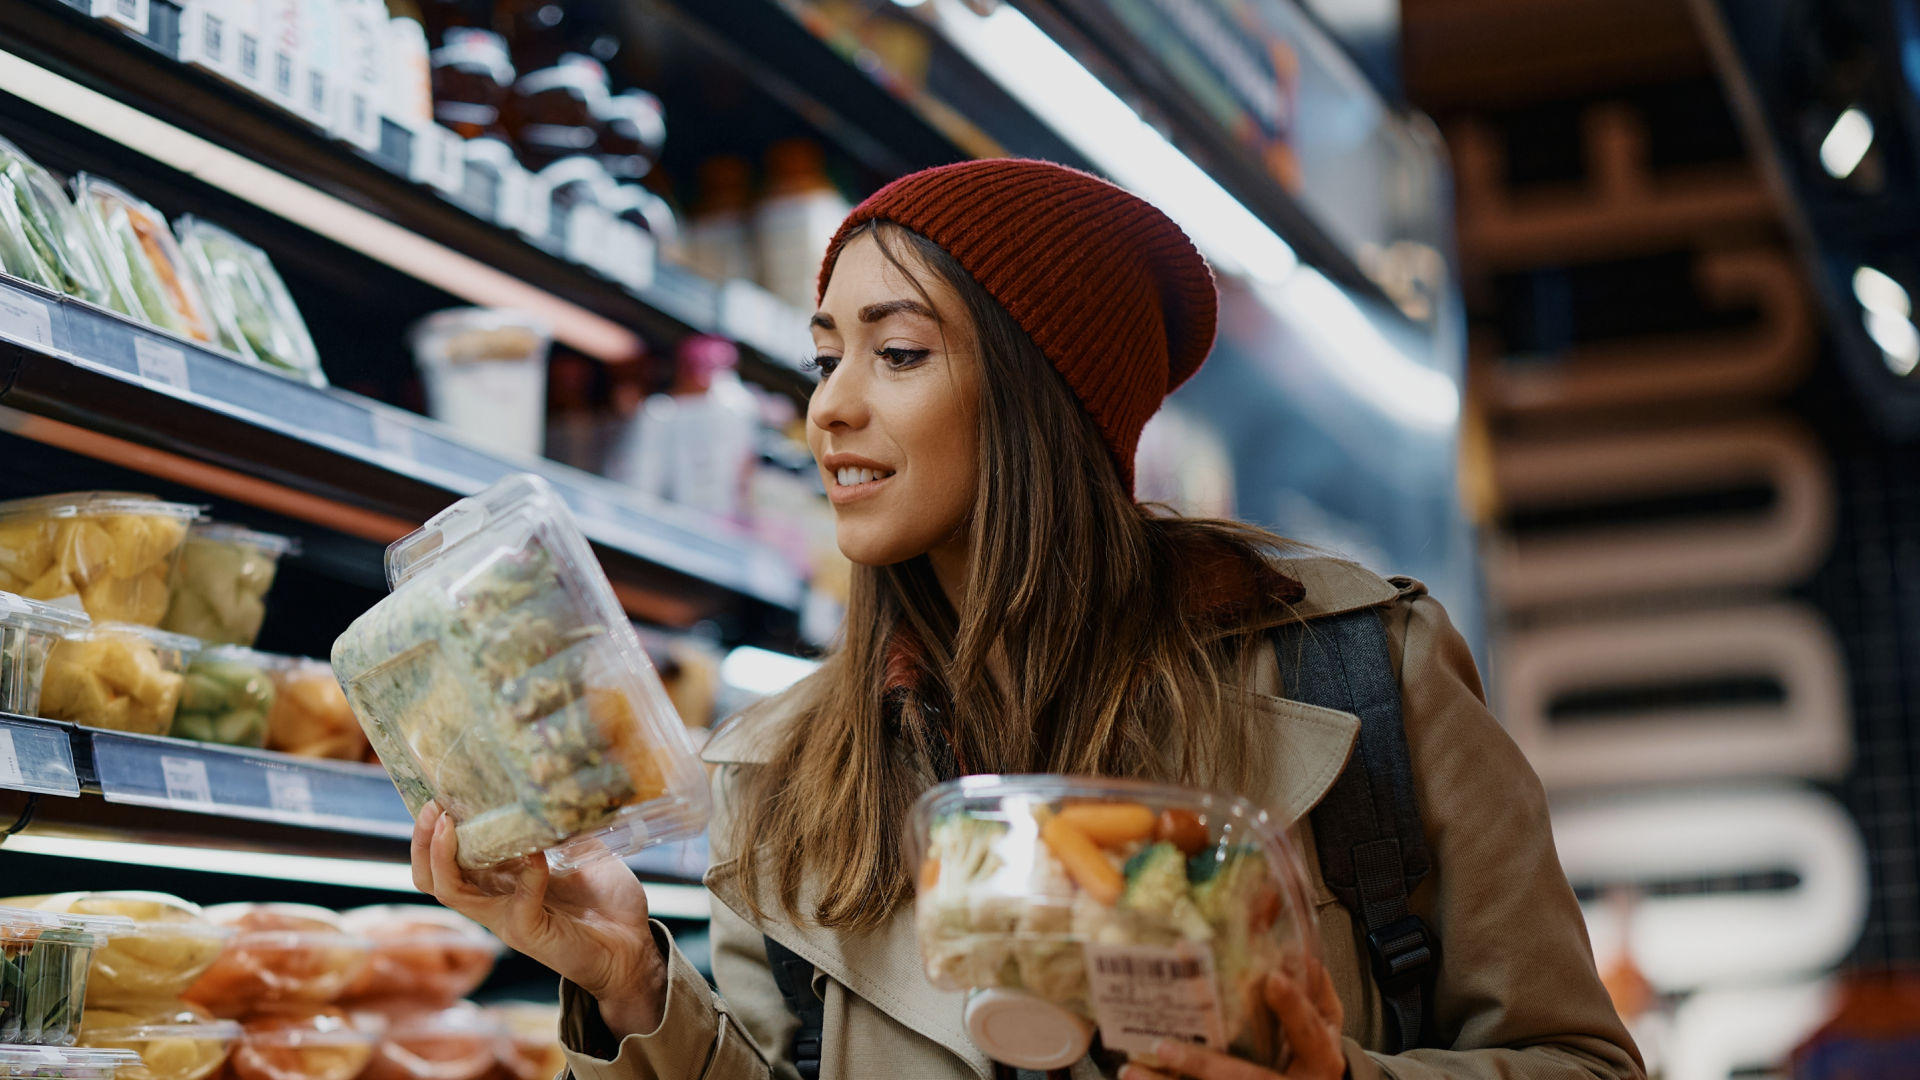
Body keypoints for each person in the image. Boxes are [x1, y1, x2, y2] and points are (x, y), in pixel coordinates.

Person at [411, 159, 1645, 1080]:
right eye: (823, 356)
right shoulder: (782, 775)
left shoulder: (1363, 671)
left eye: (896, 354)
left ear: (1040, 396)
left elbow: (1579, 1063)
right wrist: (631, 983)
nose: (827, 410)